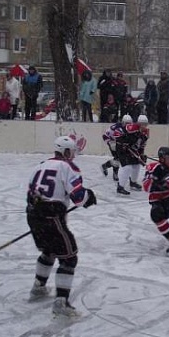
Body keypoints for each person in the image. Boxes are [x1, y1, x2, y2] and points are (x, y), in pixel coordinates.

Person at [26, 136, 97, 317]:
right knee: (69, 257)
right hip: (52, 216)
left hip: (33, 214)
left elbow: (31, 193)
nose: (73, 155)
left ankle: (38, 287)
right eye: (71, 151)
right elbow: (79, 198)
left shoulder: (40, 165)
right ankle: (61, 302)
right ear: (65, 151)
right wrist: (89, 196)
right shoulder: (68, 167)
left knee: (49, 250)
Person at [115, 114, 150, 195]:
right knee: (127, 167)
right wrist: (122, 142)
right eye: (142, 124)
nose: (143, 126)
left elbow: (141, 146)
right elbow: (118, 132)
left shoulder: (145, 133)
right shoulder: (131, 128)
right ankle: (120, 187)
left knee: (136, 165)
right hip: (121, 149)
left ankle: (133, 182)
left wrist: (141, 155)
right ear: (138, 124)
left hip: (132, 149)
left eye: (145, 124)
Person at [101, 115, 131, 181]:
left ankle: (105, 166)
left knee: (118, 158)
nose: (128, 125)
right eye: (126, 123)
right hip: (113, 143)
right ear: (123, 122)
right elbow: (104, 136)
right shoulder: (115, 127)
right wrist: (109, 142)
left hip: (120, 143)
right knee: (117, 158)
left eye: (129, 123)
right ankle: (115, 174)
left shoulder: (130, 128)